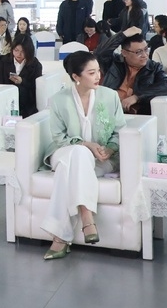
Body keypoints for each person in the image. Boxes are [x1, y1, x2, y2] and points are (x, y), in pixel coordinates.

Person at [39, 50, 127, 259]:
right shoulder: (58, 100)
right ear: (76, 77)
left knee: (67, 170)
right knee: (78, 152)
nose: (98, 77)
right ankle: (87, 217)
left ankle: (60, 238)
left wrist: (110, 148)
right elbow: (59, 138)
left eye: (98, 71)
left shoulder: (110, 96)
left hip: (101, 158)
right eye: (91, 73)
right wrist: (87, 144)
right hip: (64, 151)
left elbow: (119, 131)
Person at [94, 27, 167, 115]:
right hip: (108, 111)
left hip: (137, 114)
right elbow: (99, 53)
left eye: (146, 49)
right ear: (124, 53)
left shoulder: (154, 67)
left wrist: (137, 96)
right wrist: (123, 35)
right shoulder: (113, 62)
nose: (145, 55)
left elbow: (166, 86)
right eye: (138, 52)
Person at [0, 39, 42, 117]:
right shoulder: (3, 61)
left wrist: (22, 81)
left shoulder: (35, 65)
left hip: (26, 102)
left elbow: (36, 86)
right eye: (16, 50)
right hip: (5, 98)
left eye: (23, 51)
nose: (19, 54)